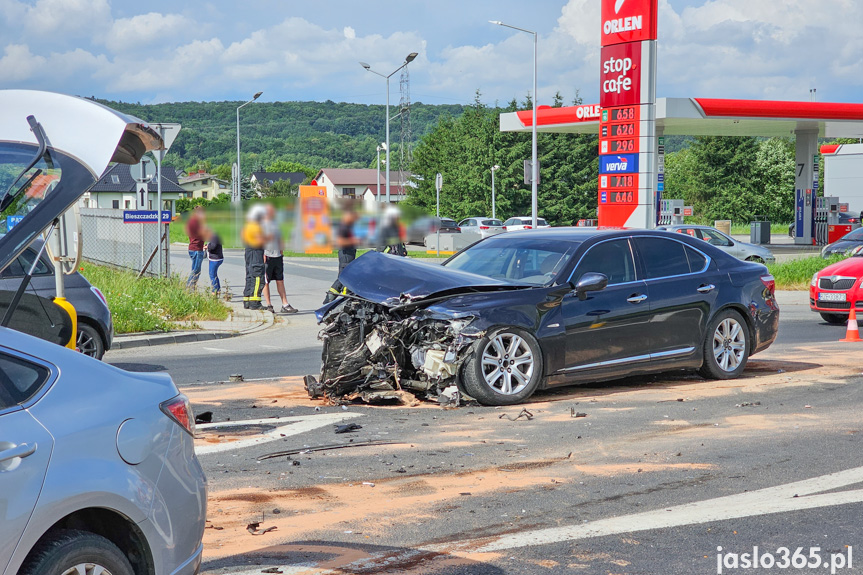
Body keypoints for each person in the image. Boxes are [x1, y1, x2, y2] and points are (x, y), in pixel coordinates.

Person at [261, 204, 298, 314]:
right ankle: (269, 305)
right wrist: (262, 254)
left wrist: (281, 250)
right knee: (266, 281)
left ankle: (285, 304)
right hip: (267, 255)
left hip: (277, 255)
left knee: (280, 280)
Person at [324, 207, 359, 303]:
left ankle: (331, 298)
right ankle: (335, 299)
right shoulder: (343, 226)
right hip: (346, 254)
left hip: (349, 253)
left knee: (343, 277)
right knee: (344, 277)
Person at [242, 205, 267, 310]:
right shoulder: (256, 227)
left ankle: (247, 300)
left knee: (249, 276)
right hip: (256, 252)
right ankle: (255, 302)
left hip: (248, 251)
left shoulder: (247, 226)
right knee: (257, 278)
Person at [185, 205, 205, 289]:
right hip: (196, 248)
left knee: (195, 269)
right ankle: (189, 287)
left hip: (194, 247)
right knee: (196, 271)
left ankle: (192, 286)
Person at [204, 227, 224, 296]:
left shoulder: (214, 237)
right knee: (214, 274)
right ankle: (218, 289)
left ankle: (214, 290)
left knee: (212, 274)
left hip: (215, 259)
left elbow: (213, 246)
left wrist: (207, 247)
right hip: (215, 258)